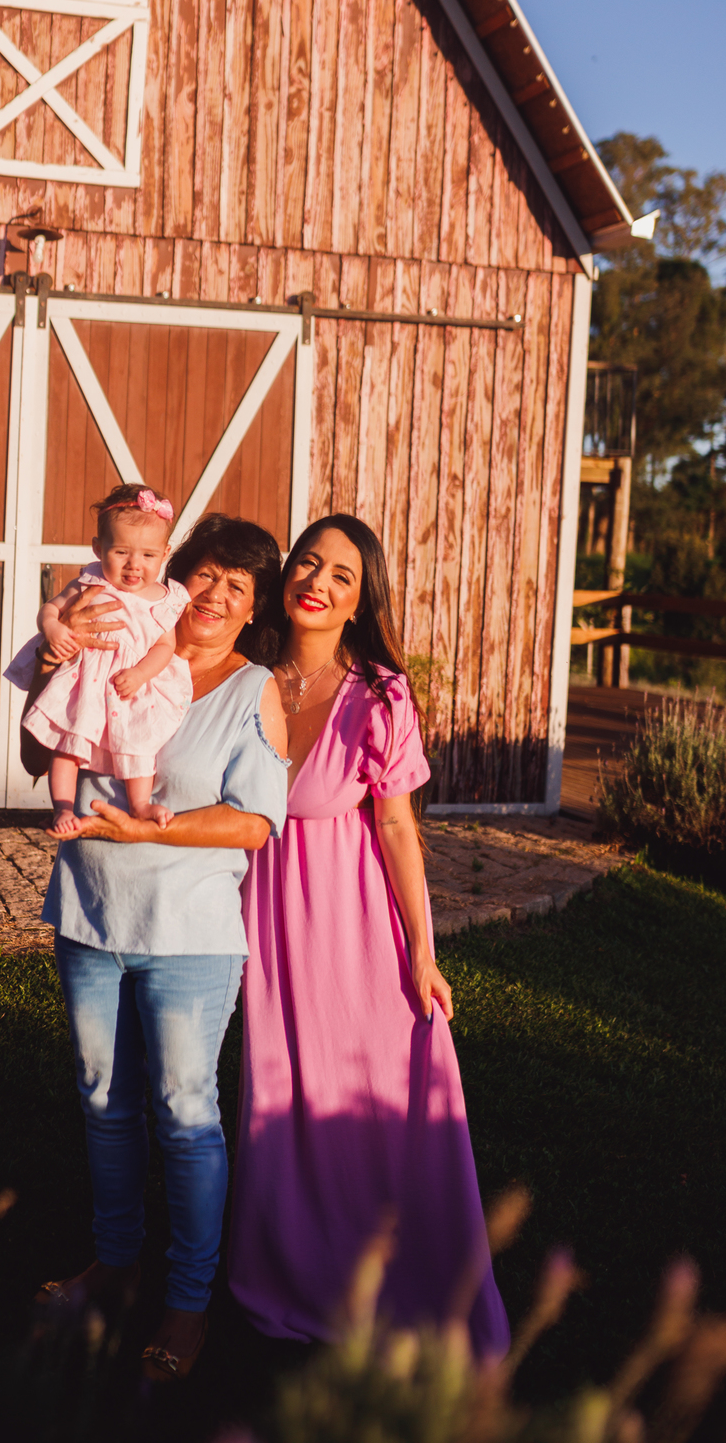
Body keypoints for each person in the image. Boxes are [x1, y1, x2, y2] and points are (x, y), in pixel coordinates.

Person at [228, 515, 510, 1358]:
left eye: (342, 576)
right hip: (263, 928)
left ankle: (406, 1287)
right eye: (308, 563)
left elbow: (395, 830)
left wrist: (421, 952)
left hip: (348, 935)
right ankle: (291, 1276)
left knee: (372, 1112)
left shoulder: (380, 695)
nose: (318, 581)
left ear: (359, 600)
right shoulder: (243, 678)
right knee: (281, 1102)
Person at [22, 514, 289, 1382]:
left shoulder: (253, 691)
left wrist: (143, 832)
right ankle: (114, 1262)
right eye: (207, 575)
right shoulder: (105, 622)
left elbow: (256, 821)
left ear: (253, 610)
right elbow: (35, 748)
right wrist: (53, 639)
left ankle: (186, 1301)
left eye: (238, 588)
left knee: (183, 1110)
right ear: (179, 577)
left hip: (190, 940)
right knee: (104, 1096)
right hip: (88, 917)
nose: (215, 596)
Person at [17, 482, 192, 833]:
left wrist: (142, 674)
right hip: (87, 682)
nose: (134, 565)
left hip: (128, 685)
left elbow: (164, 646)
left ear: (165, 553)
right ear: (99, 548)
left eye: (148, 555)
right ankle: (63, 808)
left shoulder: (164, 598)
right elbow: (51, 608)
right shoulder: (90, 581)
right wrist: (52, 628)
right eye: (121, 552)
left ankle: (140, 804)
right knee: (68, 743)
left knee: (138, 743)